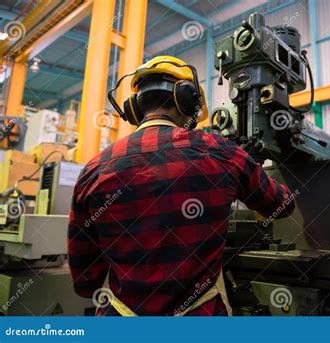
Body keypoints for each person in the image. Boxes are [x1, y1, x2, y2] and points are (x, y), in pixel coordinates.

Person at [68, 56, 295, 316]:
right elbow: (283, 206)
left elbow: (85, 282)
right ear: (187, 101)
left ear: (134, 108)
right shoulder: (221, 152)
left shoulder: (94, 169)